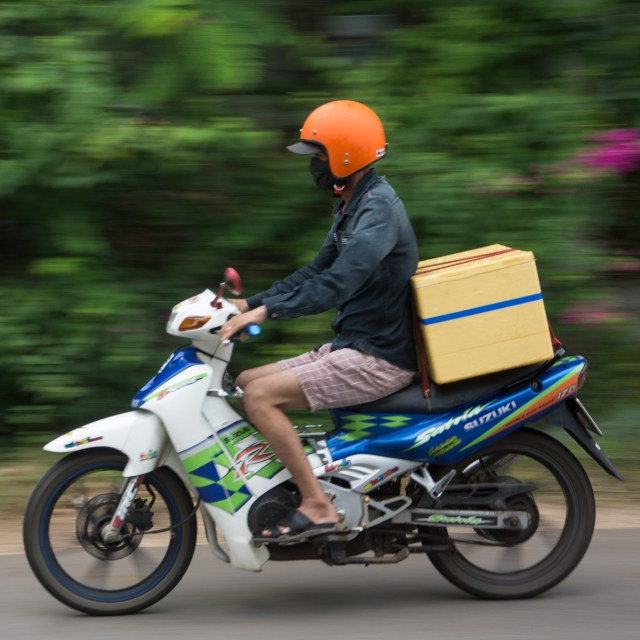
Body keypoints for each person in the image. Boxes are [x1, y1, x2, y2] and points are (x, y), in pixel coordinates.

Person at [218, 100, 419, 542]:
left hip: (380, 356)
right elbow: (314, 271)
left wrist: (268, 312)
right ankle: (290, 483)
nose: (314, 165)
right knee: (247, 381)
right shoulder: (353, 204)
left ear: (346, 154)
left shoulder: (378, 210)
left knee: (261, 398)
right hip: (355, 343)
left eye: (319, 155)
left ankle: (317, 505)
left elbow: (337, 283)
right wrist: (247, 303)